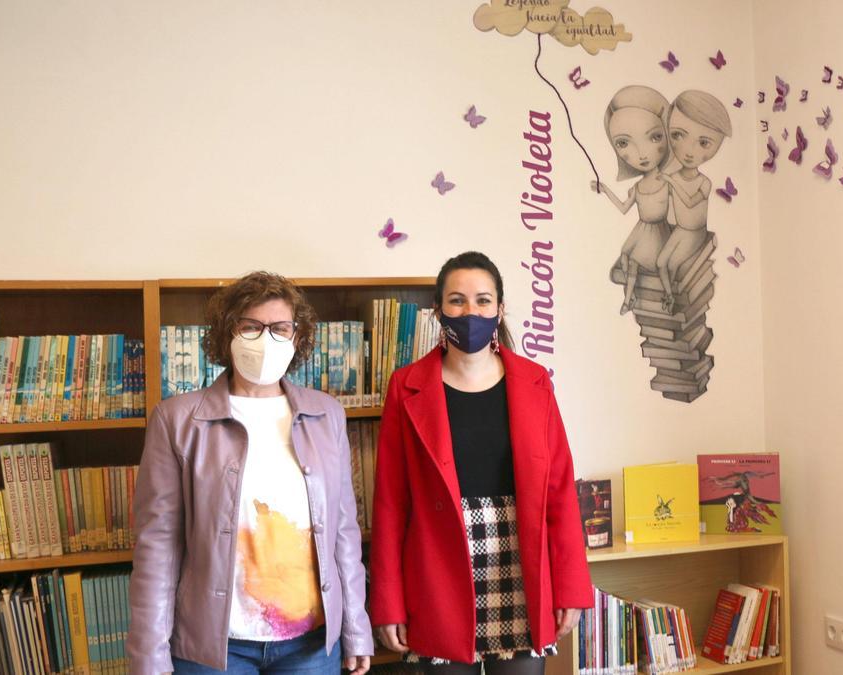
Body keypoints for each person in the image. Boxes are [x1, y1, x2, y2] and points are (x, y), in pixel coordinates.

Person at [127, 271, 374, 675]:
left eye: (279, 328)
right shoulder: (178, 420)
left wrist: (356, 628)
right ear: (227, 334)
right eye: (251, 327)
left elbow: (344, 532)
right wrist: (149, 655)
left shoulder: (326, 414)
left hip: (310, 644)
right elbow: (158, 545)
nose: (266, 340)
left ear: (298, 337)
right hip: (213, 648)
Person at [370, 251, 592, 671]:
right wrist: (387, 602)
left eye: (483, 300)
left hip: (521, 565)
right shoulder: (406, 387)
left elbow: (560, 492)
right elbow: (390, 504)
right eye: (456, 300)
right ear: (438, 311)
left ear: (500, 308)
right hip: (438, 573)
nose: (470, 311)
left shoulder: (535, 382)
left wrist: (570, 590)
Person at [590, 85, 674, 314]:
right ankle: (629, 300)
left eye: (654, 137)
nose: (642, 153)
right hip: (642, 230)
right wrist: (605, 189)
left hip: (659, 232)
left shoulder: (669, 182)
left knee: (660, 265)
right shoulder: (637, 187)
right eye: (624, 143)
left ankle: (668, 295)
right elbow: (624, 208)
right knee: (628, 257)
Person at [656, 90, 731, 313]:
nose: (689, 151)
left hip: (695, 232)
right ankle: (669, 296)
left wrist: (671, 181)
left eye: (704, 143)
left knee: (674, 266)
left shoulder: (704, 182)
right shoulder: (673, 177)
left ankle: (675, 300)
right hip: (680, 230)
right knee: (661, 263)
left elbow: (689, 202)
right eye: (678, 135)